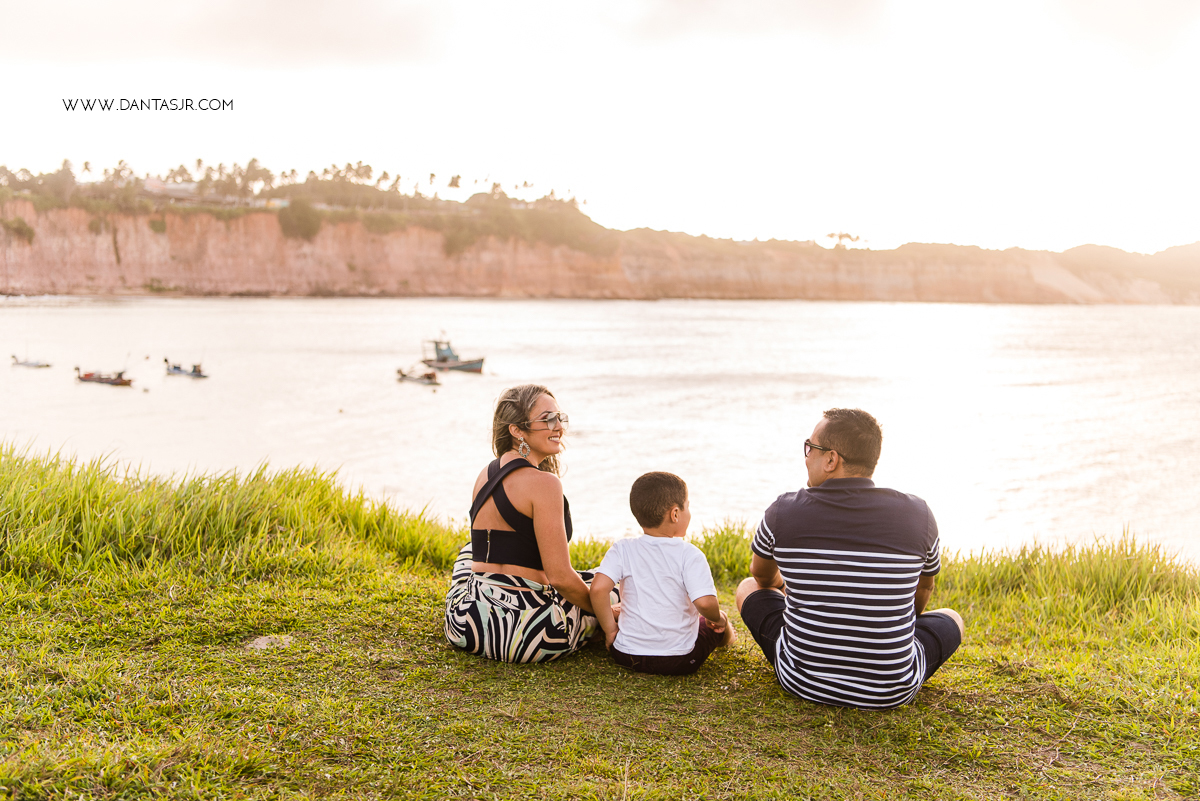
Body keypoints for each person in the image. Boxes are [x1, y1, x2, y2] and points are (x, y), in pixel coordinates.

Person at [736, 408, 964, 710]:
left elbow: (762, 577)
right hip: (890, 691)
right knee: (953, 618)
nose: (806, 457)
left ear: (831, 459)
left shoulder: (783, 511)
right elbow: (924, 589)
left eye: (810, 447)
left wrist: (787, 588)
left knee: (747, 587)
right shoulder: (919, 514)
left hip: (803, 681)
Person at [444, 384, 613, 663]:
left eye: (560, 418)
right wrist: (602, 614)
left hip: (468, 626)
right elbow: (560, 578)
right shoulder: (546, 484)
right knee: (611, 589)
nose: (559, 427)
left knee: (467, 553)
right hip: (530, 635)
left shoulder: (485, 474)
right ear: (517, 430)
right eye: (548, 419)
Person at [590, 472, 735, 676]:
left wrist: (611, 630)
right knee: (717, 621)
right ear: (675, 514)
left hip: (626, 655)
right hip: (679, 660)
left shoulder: (622, 549)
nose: (689, 512)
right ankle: (729, 638)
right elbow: (704, 603)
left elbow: (597, 589)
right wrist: (717, 618)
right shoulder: (690, 554)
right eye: (687, 506)